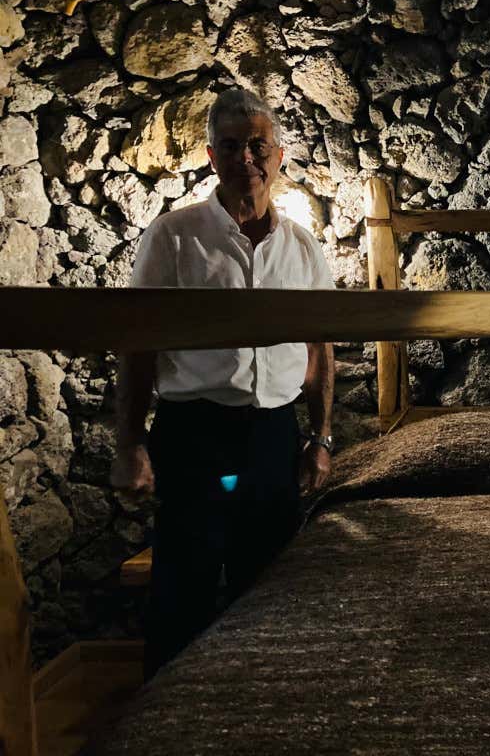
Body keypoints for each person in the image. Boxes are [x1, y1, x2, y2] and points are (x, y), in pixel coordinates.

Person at [110, 87, 336, 678]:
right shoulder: (173, 237)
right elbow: (139, 345)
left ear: (278, 155)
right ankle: (165, 715)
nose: (246, 160)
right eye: (231, 147)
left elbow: (319, 348)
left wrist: (320, 438)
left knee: (267, 585)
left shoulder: (301, 246)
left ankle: (257, 706)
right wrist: (130, 442)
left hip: (272, 434)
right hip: (196, 433)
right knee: (183, 584)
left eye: (257, 146)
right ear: (212, 157)